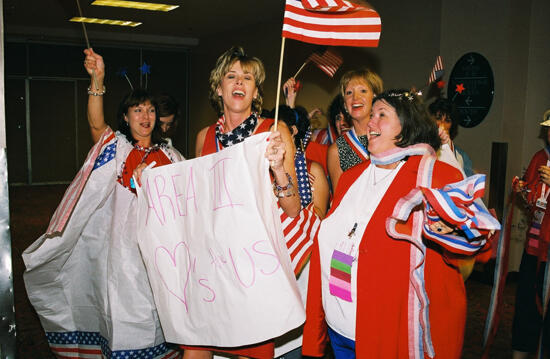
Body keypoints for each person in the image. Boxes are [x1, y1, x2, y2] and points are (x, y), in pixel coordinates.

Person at [302, 89, 496, 358]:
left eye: (382, 115)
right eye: (371, 115)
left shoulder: (435, 175)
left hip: (386, 336)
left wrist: (454, 231)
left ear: (407, 125)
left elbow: (479, 243)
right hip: (339, 327)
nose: (371, 123)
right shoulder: (351, 177)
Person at [22, 49, 184, 357]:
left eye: (150, 110)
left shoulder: (173, 156)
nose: (145, 116)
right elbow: (96, 124)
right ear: (125, 117)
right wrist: (97, 79)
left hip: (160, 251)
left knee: (158, 309)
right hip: (121, 253)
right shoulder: (116, 148)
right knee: (123, 307)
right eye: (137, 110)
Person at [187, 46, 301, 359]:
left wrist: (278, 169)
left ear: (255, 89)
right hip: (210, 264)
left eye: (247, 77)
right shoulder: (203, 136)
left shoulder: (273, 131)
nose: (239, 82)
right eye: (232, 76)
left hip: (252, 265)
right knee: (197, 346)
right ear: (218, 86)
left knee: (247, 350)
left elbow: (293, 209)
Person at [511, 110, 550, 359]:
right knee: (526, 307)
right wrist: (523, 191)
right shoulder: (540, 157)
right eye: (547, 128)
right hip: (534, 247)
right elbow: (532, 200)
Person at [327, 68, 383, 190]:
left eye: (363, 91)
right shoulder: (336, 150)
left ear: (374, 97)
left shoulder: (390, 138)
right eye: (349, 93)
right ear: (345, 104)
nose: (355, 98)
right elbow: (340, 200)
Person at [429, 97, 474, 176]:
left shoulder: (462, 157)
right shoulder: (422, 150)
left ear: (452, 125)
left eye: (447, 121)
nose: (442, 124)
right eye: (438, 118)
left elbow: (467, 185)